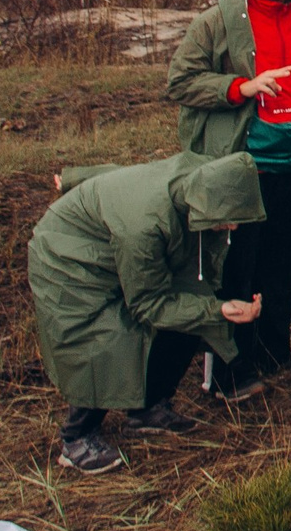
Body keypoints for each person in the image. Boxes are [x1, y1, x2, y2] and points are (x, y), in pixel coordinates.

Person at [165, 0, 291, 399]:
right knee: (238, 267)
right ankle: (229, 373)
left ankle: (275, 354)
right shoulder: (219, 21)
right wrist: (242, 86)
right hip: (246, 162)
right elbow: (180, 81)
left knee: (282, 265)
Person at [28, 150, 267, 473]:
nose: (233, 226)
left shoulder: (201, 176)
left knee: (188, 311)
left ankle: (147, 409)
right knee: (107, 335)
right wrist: (217, 309)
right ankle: (76, 439)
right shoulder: (145, 226)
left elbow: (131, 173)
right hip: (67, 257)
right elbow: (147, 305)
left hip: (113, 246)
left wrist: (212, 308)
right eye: (228, 218)